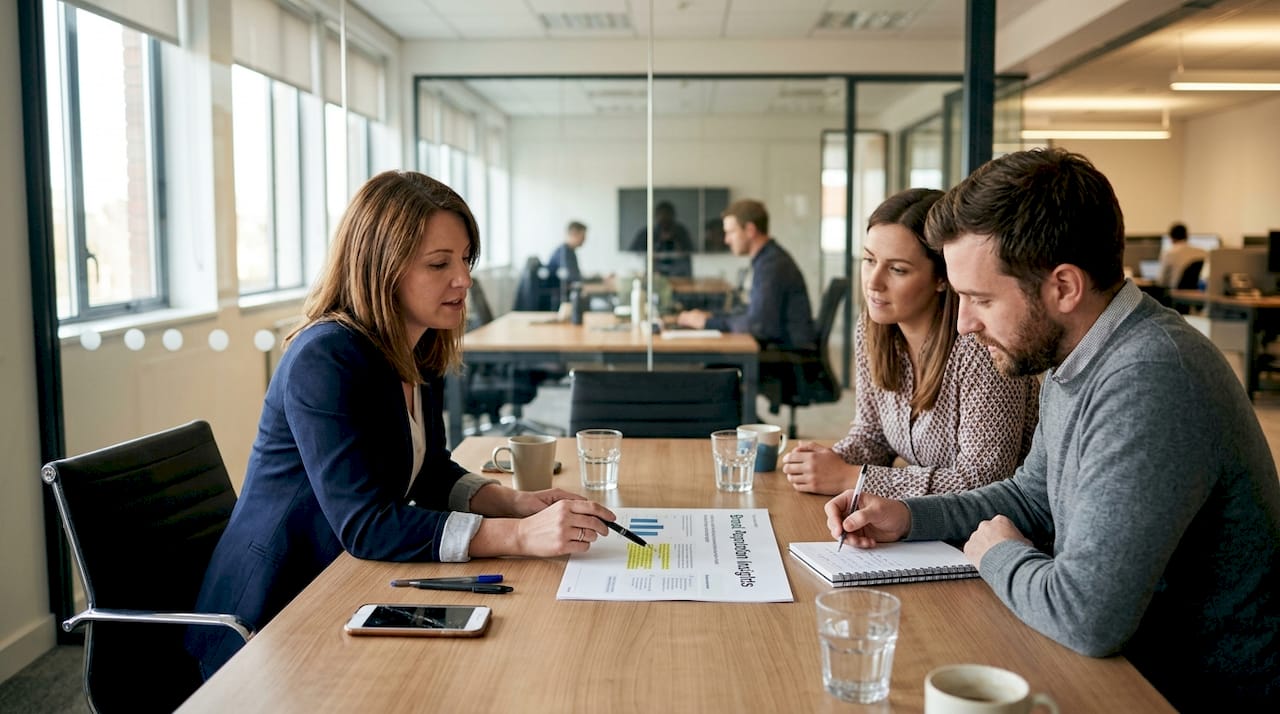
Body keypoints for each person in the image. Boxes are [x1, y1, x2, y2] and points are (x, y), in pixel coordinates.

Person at [825, 148, 1280, 711]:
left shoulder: (1152, 377)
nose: (964, 323)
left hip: (1184, 687)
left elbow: (1087, 616)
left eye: (981, 299)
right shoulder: (1077, 354)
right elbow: (1030, 496)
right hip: (1125, 661)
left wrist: (998, 553)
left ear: (1063, 287)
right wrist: (912, 517)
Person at [188, 171, 618, 678]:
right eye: (440, 264)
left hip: (346, 588)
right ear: (382, 268)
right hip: (273, 617)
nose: (463, 279)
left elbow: (430, 472)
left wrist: (516, 504)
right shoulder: (324, 357)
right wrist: (520, 537)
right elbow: (367, 525)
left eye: (465, 260)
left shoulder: (416, 347)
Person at [781, 188, 1039, 497]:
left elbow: (984, 481)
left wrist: (854, 478)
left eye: (897, 269)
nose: (873, 282)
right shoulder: (872, 330)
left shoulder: (981, 346)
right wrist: (831, 460)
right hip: (929, 526)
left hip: (1000, 529)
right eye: (868, 260)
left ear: (943, 278)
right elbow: (873, 435)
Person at [675, 199, 816, 350]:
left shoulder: (772, 265)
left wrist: (708, 323)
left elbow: (759, 325)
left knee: (712, 365)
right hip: (780, 350)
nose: (726, 240)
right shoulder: (767, 259)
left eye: (731, 232)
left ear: (750, 230)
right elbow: (752, 313)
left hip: (785, 356)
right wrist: (711, 317)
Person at [629, 200, 693, 277]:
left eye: (667, 214)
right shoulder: (647, 232)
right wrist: (656, 243)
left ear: (673, 216)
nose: (665, 217)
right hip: (654, 273)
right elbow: (634, 252)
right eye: (662, 214)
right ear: (656, 216)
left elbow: (690, 252)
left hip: (677, 273)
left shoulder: (681, 231)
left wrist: (675, 240)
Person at [1157, 222, 1206, 288]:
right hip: (1197, 294)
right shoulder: (1202, 252)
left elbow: (1161, 282)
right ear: (1186, 236)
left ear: (1171, 237)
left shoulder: (1169, 253)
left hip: (1175, 294)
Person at [547, 220, 587, 286]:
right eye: (583, 236)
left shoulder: (569, 250)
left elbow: (576, 275)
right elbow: (573, 277)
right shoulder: (565, 252)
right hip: (559, 292)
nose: (585, 239)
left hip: (565, 290)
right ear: (574, 234)